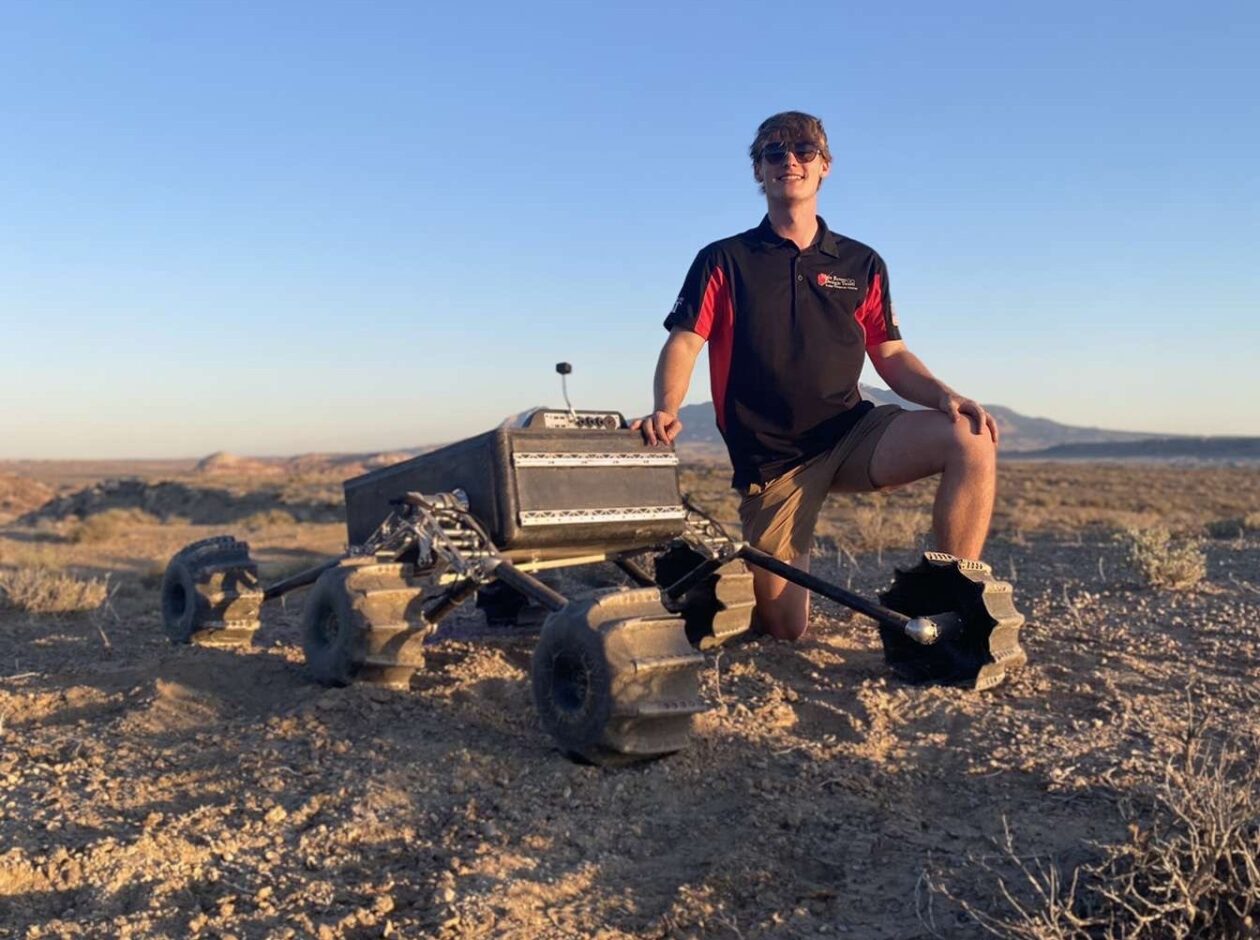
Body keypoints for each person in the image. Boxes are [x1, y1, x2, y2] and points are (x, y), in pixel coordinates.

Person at [634, 111, 999, 642]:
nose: (790, 161)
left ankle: (953, 600)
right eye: (773, 153)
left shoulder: (862, 262)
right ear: (758, 171)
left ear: (824, 166)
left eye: (804, 151)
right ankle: (729, 586)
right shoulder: (724, 259)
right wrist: (666, 407)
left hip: (851, 432)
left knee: (969, 437)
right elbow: (685, 341)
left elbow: (890, 353)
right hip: (773, 459)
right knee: (785, 628)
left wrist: (945, 394)